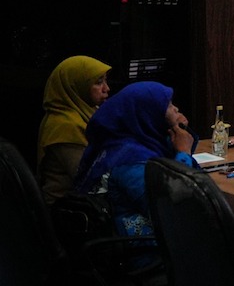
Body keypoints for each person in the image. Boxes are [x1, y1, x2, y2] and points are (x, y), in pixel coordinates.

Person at [76, 81, 198, 254]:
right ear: (148, 113)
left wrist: (181, 138)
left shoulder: (122, 144)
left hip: (151, 243)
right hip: (149, 254)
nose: (176, 109)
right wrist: (184, 153)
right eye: (169, 105)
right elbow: (175, 208)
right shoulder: (130, 161)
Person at [36, 55, 111, 203]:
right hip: (68, 208)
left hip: (88, 202)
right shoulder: (64, 125)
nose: (106, 89)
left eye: (105, 80)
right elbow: (90, 177)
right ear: (76, 85)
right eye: (98, 82)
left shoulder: (88, 112)